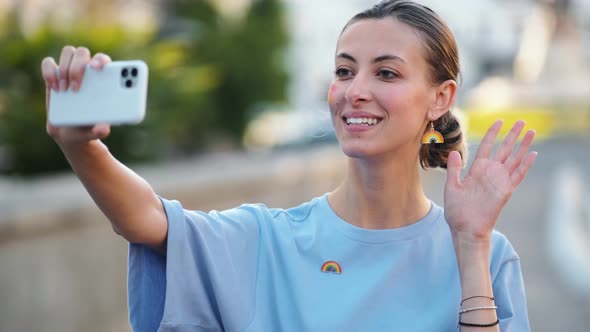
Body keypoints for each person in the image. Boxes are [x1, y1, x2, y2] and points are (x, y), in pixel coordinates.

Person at [40, 0, 537, 331]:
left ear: (440, 97)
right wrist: (81, 147)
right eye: (344, 70)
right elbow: (147, 219)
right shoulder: (266, 240)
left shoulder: (487, 256)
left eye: (385, 72)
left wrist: (470, 247)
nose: (354, 90)